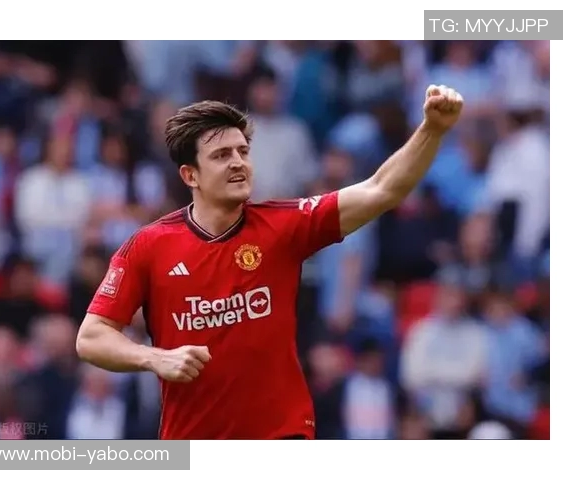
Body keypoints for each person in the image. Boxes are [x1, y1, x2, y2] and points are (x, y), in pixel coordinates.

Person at [76, 84, 464, 440]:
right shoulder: (148, 246)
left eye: (243, 152)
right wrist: (154, 357)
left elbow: (381, 190)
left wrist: (431, 130)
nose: (238, 162)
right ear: (190, 175)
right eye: (222, 155)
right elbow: (92, 337)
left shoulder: (284, 225)